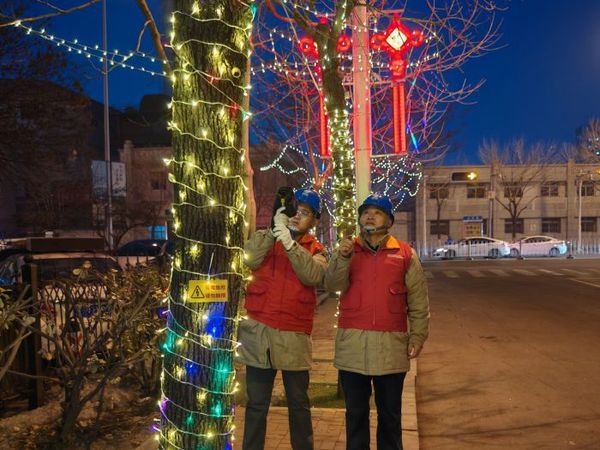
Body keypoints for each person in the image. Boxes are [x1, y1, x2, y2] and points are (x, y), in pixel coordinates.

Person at [324, 193, 430, 450]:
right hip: (353, 348)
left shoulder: (405, 254)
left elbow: (418, 300)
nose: (370, 216)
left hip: (390, 349)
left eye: (377, 212)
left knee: (390, 417)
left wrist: (418, 335)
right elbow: (332, 285)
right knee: (355, 416)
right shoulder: (348, 250)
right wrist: (342, 257)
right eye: (366, 212)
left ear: (389, 221)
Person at [237, 188, 328, 450]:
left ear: (315, 220)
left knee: (298, 403)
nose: (297, 216)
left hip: (293, 335)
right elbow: (249, 259)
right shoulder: (266, 238)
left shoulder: (317, 250)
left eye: (305, 212)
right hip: (259, 334)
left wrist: (289, 243)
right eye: (294, 210)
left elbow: (313, 275)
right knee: (256, 404)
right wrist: (273, 231)